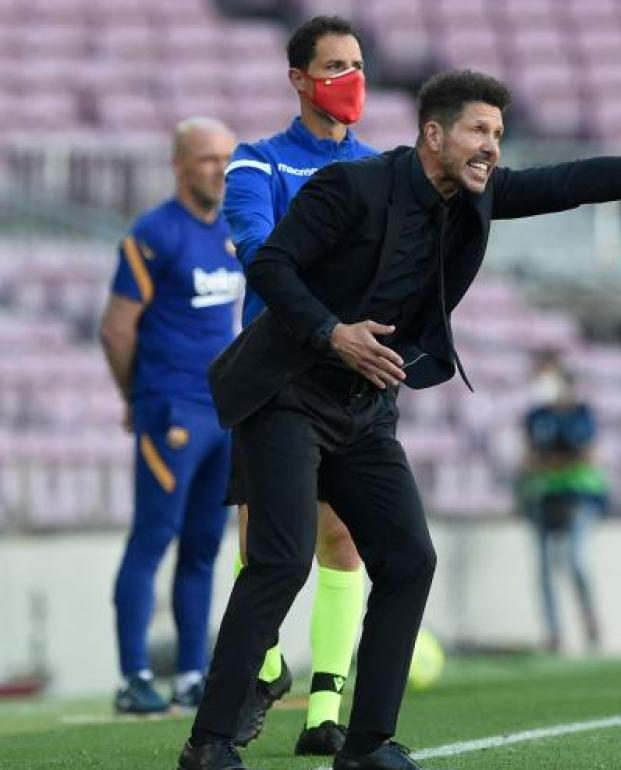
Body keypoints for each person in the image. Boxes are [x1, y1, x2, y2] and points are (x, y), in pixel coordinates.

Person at [176, 68, 621, 770]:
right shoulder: (351, 186)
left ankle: (366, 747)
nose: (491, 145)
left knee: (408, 560)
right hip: (286, 390)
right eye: (477, 130)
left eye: (497, 132)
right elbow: (272, 267)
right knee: (280, 558)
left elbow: (573, 181)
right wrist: (334, 332)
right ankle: (209, 743)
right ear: (433, 134)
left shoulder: (476, 199)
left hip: (364, 405)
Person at [220, 15, 377, 756]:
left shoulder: (383, 168)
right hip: (278, 373)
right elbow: (257, 249)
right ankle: (268, 663)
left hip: (350, 379)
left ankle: (325, 710)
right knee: (267, 549)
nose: (350, 79)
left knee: (341, 535)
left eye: (356, 64)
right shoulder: (257, 163)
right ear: (299, 79)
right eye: (334, 66)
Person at [99, 117, 242, 714]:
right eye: (208, 159)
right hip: (173, 408)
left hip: (224, 410)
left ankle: (191, 673)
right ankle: (134, 675)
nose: (219, 170)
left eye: (226, 159)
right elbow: (115, 328)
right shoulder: (153, 233)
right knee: (154, 536)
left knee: (206, 544)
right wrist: (138, 398)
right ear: (180, 165)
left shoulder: (235, 229)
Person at [519, 351, 606, 653]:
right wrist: (557, 460)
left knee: (575, 561)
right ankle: (554, 634)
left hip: (579, 496)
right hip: (544, 496)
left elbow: (588, 455)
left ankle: (590, 622)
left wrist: (551, 460)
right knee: (543, 568)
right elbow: (528, 460)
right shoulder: (534, 417)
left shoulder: (581, 413)